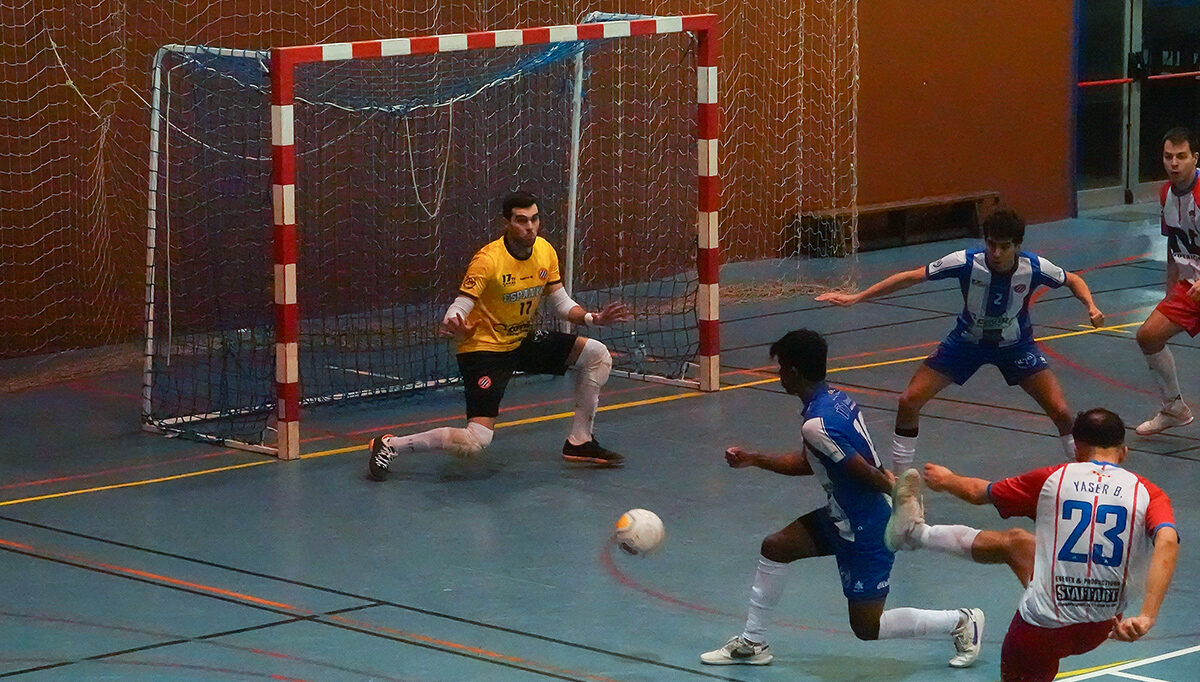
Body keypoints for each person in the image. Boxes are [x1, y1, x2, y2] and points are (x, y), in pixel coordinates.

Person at [700, 329, 986, 668]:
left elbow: (862, 471)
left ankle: (961, 621)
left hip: (866, 527)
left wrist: (896, 493)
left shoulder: (817, 424)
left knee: (867, 627)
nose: (779, 375)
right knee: (776, 547)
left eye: (781, 368)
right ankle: (753, 643)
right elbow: (812, 462)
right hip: (842, 515)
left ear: (794, 371)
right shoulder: (836, 399)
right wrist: (755, 459)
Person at [886, 408, 1180, 682]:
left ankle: (915, 534)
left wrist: (948, 479)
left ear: (1077, 449)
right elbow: (1167, 540)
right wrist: (1147, 616)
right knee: (1017, 543)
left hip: (1041, 629)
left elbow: (978, 493)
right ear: (1124, 452)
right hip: (1100, 626)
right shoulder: (1148, 492)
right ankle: (916, 534)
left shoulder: (1052, 480)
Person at [367, 191, 633, 479]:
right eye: (521, 220)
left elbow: (561, 302)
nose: (530, 227)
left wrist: (593, 318)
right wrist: (455, 323)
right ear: (507, 223)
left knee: (596, 355)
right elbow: (460, 305)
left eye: (534, 219)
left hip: (520, 340)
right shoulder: (488, 260)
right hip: (484, 349)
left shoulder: (545, 251)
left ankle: (579, 441)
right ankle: (390, 445)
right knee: (475, 441)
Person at [816, 208, 1104, 471]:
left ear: (1018, 245)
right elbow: (911, 277)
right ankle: (901, 481)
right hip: (965, 344)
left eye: (1004, 246)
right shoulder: (966, 261)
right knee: (909, 401)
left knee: (1061, 412)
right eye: (991, 244)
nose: (996, 252)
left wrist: (1091, 306)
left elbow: (1073, 280)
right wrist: (857, 297)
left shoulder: (1035, 267)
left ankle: (1085, 475)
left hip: (1016, 347)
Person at [1134, 127, 1200, 435]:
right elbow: (1174, 245)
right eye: (1168, 156)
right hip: (1190, 286)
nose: (1174, 163)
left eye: (1181, 156)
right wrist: (1170, 291)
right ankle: (1174, 407)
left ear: (1195, 158)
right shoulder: (1166, 194)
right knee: (1149, 336)